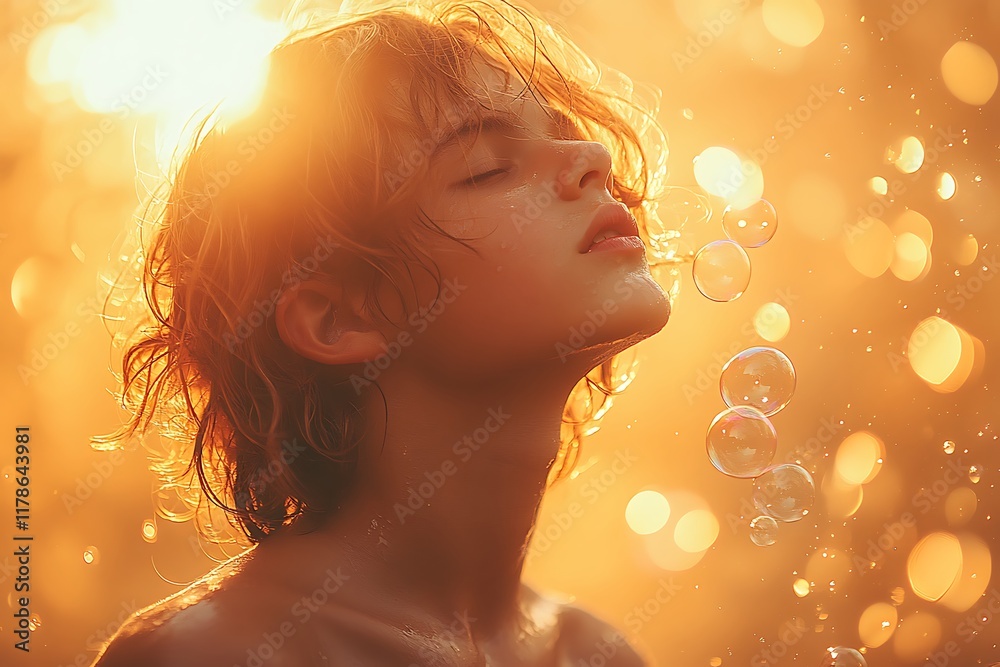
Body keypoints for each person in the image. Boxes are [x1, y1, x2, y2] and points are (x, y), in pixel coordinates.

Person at [89, 0, 674, 664]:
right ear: (338, 318)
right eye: (486, 166)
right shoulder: (213, 654)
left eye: (565, 134)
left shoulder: (596, 652)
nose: (593, 155)